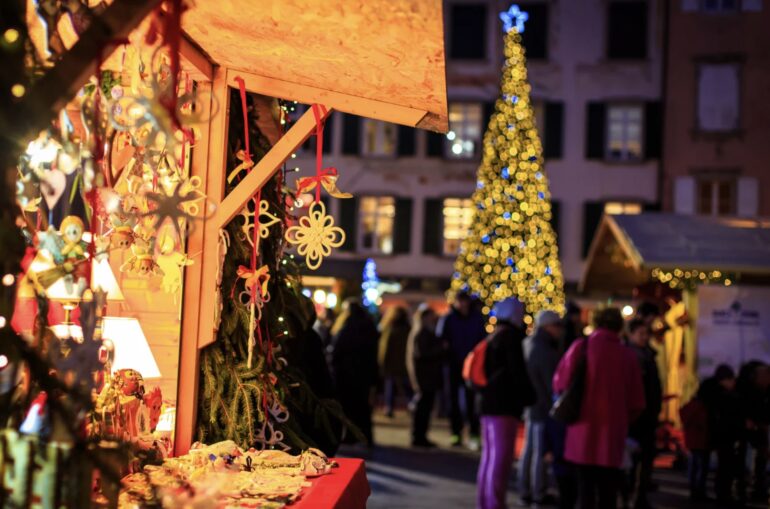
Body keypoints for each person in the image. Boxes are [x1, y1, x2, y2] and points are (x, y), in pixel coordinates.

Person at [553, 307, 645, 509]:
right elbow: (637, 401)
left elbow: (560, 382)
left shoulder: (581, 347)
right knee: (608, 492)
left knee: (585, 490)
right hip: (613, 433)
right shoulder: (628, 356)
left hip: (581, 430)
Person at [477, 297, 535, 509]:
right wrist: (530, 397)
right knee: (501, 459)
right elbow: (517, 373)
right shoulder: (511, 338)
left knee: (489, 457)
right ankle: (495, 503)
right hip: (504, 406)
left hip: (488, 404)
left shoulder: (493, 335)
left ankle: (485, 502)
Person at [519, 310, 563, 506]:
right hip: (541, 405)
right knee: (539, 451)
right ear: (548, 326)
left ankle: (526, 488)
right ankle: (538, 491)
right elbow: (550, 382)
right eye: (557, 326)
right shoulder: (543, 349)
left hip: (531, 404)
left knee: (530, 450)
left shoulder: (529, 343)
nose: (560, 330)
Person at [327, 298, 379, 446]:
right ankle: (366, 436)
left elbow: (336, 351)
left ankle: (351, 436)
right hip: (364, 375)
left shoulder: (345, 327)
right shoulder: (369, 327)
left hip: (346, 375)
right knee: (363, 408)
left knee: (349, 408)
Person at [438, 291, 487, 448]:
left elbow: (482, 340)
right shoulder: (449, 318)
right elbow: (441, 339)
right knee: (453, 401)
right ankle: (456, 433)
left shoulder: (476, 318)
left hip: (472, 366)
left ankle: (473, 433)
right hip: (453, 365)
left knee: (472, 401)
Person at [625, 319, 662, 509]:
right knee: (632, 459)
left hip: (648, 415)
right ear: (630, 334)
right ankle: (629, 494)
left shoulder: (649, 355)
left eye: (646, 333)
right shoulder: (630, 355)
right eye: (641, 333)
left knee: (646, 458)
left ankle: (639, 496)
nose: (645, 337)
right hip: (634, 417)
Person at [699, 364, 743, 506]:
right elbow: (726, 417)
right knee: (725, 466)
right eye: (731, 380)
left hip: (716, 435)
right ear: (724, 380)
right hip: (723, 435)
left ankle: (718, 493)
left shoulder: (711, 393)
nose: (733, 383)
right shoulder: (722, 396)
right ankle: (723, 495)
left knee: (720, 466)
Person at [406, 304, 445, 447]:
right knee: (423, 408)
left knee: (425, 407)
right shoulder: (421, 333)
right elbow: (421, 354)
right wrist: (440, 349)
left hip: (426, 376)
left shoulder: (423, 332)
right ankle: (418, 436)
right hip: (424, 377)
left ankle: (420, 435)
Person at [736, 361, 770, 503]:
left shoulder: (764, 391)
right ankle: (744, 490)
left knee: (761, 461)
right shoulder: (746, 391)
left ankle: (759, 490)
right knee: (746, 461)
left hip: (761, 429)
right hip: (747, 431)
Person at [378, 306, 412, 417]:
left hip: (395, 362)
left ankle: (392, 407)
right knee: (399, 386)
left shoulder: (390, 328)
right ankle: (410, 405)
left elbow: (385, 347)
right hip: (400, 363)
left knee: (394, 386)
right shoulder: (406, 328)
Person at [680, 381, 711, 502]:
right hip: (700, 439)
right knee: (701, 467)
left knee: (694, 466)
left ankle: (694, 489)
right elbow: (703, 422)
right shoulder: (702, 406)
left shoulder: (692, 405)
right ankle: (698, 490)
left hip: (693, 440)